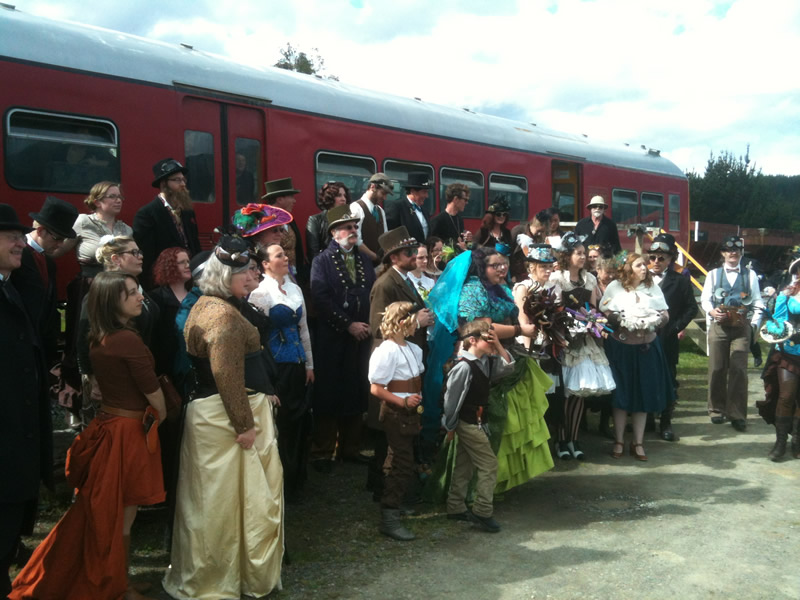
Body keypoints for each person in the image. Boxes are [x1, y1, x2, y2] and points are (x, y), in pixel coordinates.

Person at [11, 271, 167, 600]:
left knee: (110, 513)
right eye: (131, 293)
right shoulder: (126, 339)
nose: (140, 296)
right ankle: (117, 586)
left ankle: (119, 581)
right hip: (128, 433)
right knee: (123, 516)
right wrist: (162, 413)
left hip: (110, 427)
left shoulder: (101, 336)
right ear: (113, 302)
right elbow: (153, 394)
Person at [164, 236, 283, 599]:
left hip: (218, 415)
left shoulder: (210, 303)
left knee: (216, 500)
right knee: (227, 504)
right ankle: (223, 578)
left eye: (250, 271)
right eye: (244, 272)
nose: (251, 277)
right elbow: (227, 375)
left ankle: (231, 573)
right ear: (223, 274)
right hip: (226, 420)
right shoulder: (222, 316)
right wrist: (245, 426)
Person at [425, 248, 552, 496]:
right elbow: (483, 327)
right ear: (481, 268)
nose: (502, 269)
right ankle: (467, 489)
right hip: (480, 360)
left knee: (503, 423)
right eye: (495, 265)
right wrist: (519, 330)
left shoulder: (501, 288)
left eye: (503, 264)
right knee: (481, 423)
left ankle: (495, 482)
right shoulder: (473, 288)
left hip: (502, 357)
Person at [0, 205, 52, 598]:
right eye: (11, 237)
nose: (22, 243)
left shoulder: (12, 286)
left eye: (21, 235)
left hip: (16, 443)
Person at [366, 227, 435, 498]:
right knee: (388, 437)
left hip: (407, 362)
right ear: (394, 257)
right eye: (408, 253)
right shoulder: (385, 284)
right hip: (392, 370)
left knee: (396, 438)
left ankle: (388, 488)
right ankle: (383, 491)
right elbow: (377, 329)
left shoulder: (403, 279)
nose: (414, 256)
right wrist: (416, 322)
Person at [309, 205, 376, 470]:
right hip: (334, 336)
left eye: (355, 227)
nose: (353, 231)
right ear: (334, 232)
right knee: (330, 391)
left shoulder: (363, 259)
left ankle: (351, 448)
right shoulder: (321, 261)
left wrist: (365, 324)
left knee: (357, 389)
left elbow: (369, 292)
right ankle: (324, 452)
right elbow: (321, 299)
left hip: (360, 336)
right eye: (348, 227)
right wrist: (348, 324)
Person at [250, 243, 314, 502]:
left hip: (298, 365)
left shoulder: (294, 288)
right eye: (279, 255)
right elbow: (258, 340)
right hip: (276, 367)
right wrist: (266, 380)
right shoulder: (259, 293)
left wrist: (309, 364)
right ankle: (281, 482)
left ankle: (298, 478)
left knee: (300, 423)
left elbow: (304, 330)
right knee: (281, 425)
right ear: (265, 263)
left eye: (285, 254)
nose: (286, 258)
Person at [443, 320, 515, 533]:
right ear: (472, 340)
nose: (492, 341)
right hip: (467, 422)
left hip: (476, 421)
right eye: (488, 338)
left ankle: (455, 506)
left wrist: (499, 345)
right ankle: (483, 511)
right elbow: (451, 399)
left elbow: (508, 368)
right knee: (489, 464)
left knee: (465, 464)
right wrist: (449, 426)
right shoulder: (464, 366)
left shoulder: (486, 362)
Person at [600, 253, 674, 461]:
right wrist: (622, 319)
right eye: (640, 265)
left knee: (643, 394)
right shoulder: (615, 286)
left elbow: (665, 314)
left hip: (647, 349)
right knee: (621, 395)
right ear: (629, 268)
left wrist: (653, 322)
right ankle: (619, 440)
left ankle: (638, 442)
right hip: (622, 348)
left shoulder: (653, 287)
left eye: (645, 264)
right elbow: (605, 311)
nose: (645, 268)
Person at [549, 232, 616, 459]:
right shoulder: (557, 279)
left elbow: (595, 309)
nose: (583, 257)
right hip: (565, 340)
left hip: (585, 340)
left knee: (578, 394)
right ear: (567, 255)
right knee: (564, 393)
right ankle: (560, 440)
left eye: (584, 253)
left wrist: (596, 323)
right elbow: (554, 310)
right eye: (578, 253)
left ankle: (573, 439)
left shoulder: (590, 279)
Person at [77, 236, 161, 413]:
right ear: (116, 259)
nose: (141, 257)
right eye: (134, 252)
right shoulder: (100, 294)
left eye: (140, 252)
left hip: (139, 375)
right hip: (116, 385)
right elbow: (84, 339)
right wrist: (93, 379)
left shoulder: (137, 288)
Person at [368, 301, 425, 540]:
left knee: (400, 457)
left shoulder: (413, 349)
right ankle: (389, 516)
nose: (418, 325)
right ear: (403, 323)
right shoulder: (386, 351)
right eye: (414, 321)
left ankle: (396, 502)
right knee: (402, 461)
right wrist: (401, 402)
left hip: (411, 413)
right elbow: (376, 388)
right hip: (395, 413)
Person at [700, 235, 764, 431]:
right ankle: (716, 409)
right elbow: (705, 300)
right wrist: (711, 312)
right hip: (719, 327)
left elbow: (758, 302)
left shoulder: (750, 275)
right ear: (723, 253)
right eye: (728, 250)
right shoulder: (713, 274)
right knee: (717, 368)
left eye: (736, 249)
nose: (733, 253)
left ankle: (737, 414)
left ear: (741, 253)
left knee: (738, 370)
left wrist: (753, 325)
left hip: (741, 329)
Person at [14, 196, 78, 365]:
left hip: (39, 345)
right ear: (41, 230)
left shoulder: (49, 262)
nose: (60, 245)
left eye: (64, 240)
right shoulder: (16, 255)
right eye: (57, 238)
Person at [648, 234, 698, 441]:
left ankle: (666, 421)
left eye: (662, 258)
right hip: (643, 338)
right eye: (653, 257)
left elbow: (691, 308)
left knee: (667, 380)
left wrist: (676, 326)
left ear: (670, 259)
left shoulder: (679, 281)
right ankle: (647, 419)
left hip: (666, 339)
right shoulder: (641, 279)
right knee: (647, 379)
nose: (656, 262)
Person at [133, 158, 201, 286]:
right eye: (177, 180)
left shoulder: (187, 212)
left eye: (183, 179)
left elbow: (194, 244)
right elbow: (147, 255)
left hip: (189, 278)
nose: (183, 184)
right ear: (164, 184)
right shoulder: (147, 214)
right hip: (164, 281)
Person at [758, 254, 800, 460]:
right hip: (789, 353)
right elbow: (780, 322)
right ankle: (780, 443)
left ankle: (797, 442)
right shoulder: (787, 296)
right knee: (786, 396)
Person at [261, 177, 309, 285]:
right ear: (279, 199)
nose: (294, 200)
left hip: (292, 276)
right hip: (274, 276)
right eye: (291, 197)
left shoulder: (290, 220)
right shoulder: (266, 222)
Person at [350, 172, 392, 265]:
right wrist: (375, 257)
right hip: (362, 264)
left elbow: (385, 238)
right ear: (373, 187)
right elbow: (356, 240)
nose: (385, 198)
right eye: (383, 193)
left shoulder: (381, 211)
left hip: (379, 265)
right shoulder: (356, 208)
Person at [385, 172, 433, 244]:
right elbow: (390, 234)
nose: (427, 196)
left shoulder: (425, 211)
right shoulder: (397, 207)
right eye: (424, 192)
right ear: (413, 191)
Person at [306, 181, 350, 258]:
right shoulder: (315, 220)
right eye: (339, 195)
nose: (343, 199)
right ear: (329, 197)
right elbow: (313, 252)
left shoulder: (350, 219)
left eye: (344, 196)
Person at [429, 182, 472, 251]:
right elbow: (432, 244)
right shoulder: (438, 220)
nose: (467, 203)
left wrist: (467, 240)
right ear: (456, 199)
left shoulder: (459, 219)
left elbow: (460, 241)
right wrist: (456, 245)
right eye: (465, 200)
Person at [510, 210, 550, 282]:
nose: (539, 234)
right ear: (534, 225)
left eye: (542, 232)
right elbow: (509, 253)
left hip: (531, 275)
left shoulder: (541, 237)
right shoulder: (518, 231)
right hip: (516, 274)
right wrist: (512, 274)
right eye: (539, 231)